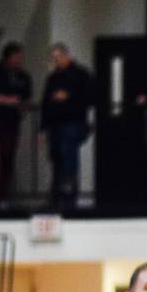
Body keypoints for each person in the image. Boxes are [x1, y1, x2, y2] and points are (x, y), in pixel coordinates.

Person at [40, 43, 93, 207]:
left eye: (58, 57)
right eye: (53, 58)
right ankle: (56, 192)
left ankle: (69, 190)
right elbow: (45, 104)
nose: (56, 61)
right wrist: (43, 128)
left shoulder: (81, 74)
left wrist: (69, 96)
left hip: (73, 122)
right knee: (56, 155)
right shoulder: (53, 78)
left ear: (66, 56)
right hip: (55, 123)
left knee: (68, 153)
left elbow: (90, 96)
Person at [0, 42, 32, 201]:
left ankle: (3, 194)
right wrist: (6, 100)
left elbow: (26, 98)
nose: (19, 61)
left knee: (8, 157)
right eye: (16, 57)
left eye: (21, 58)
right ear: (8, 57)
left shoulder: (24, 77)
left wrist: (21, 105)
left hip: (12, 123)